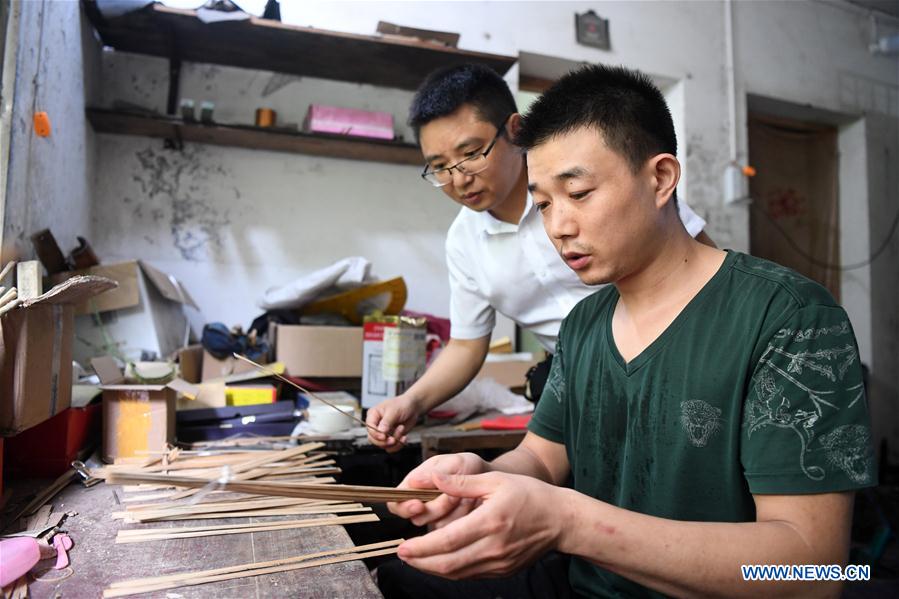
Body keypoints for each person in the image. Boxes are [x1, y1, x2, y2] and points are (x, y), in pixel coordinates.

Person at [379, 64, 876, 598]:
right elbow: (542, 458)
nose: (558, 227)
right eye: (543, 204)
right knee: (398, 577)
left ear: (660, 179)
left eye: (579, 193)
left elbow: (814, 573)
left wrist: (570, 522)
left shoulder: (790, 320)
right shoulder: (584, 326)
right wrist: (477, 477)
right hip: (587, 585)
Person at [367, 64, 711, 450]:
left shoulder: (605, 187)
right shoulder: (463, 242)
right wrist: (411, 401)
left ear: (515, 131)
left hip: (670, 358)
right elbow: (466, 346)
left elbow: (702, 261)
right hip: (575, 383)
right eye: (440, 167)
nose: (460, 178)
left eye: (471, 153)